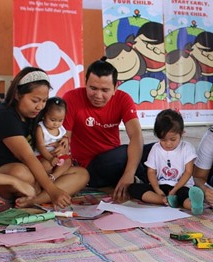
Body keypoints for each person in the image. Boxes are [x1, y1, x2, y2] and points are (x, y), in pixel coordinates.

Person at [0, 67, 88, 209]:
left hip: (32, 170)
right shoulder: (4, 115)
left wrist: (63, 141)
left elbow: (54, 131)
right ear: (17, 94)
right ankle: (44, 192)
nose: (40, 106)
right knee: (21, 173)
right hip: (4, 173)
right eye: (35, 100)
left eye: (44, 101)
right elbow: (27, 157)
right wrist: (52, 190)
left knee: (81, 173)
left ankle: (34, 199)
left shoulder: (35, 114)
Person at [62, 58, 153, 202]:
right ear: (85, 83)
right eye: (93, 88)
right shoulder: (71, 98)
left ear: (115, 88)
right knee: (125, 153)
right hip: (92, 168)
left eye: (105, 90)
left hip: (117, 161)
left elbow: (136, 135)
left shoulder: (123, 99)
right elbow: (64, 140)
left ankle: (151, 183)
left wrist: (129, 173)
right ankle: (147, 185)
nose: (98, 96)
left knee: (157, 148)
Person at [128, 109, 204, 214]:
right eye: (163, 140)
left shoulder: (187, 148)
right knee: (133, 188)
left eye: (173, 139)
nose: (168, 144)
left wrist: (175, 189)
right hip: (161, 186)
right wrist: (156, 189)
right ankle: (164, 200)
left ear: (182, 133)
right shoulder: (155, 148)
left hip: (181, 186)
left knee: (184, 195)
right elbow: (151, 172)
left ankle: (194, 206)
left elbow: (188, 172)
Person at [34, 97, 72, 183]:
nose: (56, 123)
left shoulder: (61, 128)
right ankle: (42, 181)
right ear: (44, 115)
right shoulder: (40, 128)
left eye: (60, 120)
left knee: (68, 162)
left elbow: (65, 136)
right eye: (52, 120)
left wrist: (65, 139)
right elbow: (40, 147)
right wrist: (50, 158)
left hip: (58, 155)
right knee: (46, 165)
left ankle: (54, 176)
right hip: (44, 156)